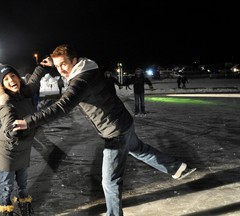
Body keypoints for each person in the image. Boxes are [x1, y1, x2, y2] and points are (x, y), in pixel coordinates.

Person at [13, 44, 196, 216]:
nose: (61, 69)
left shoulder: (80, 81)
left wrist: (30, 121)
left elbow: (62, 107)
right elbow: (63, 65)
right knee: (140, 150)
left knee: (110, 181)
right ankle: (177, 167)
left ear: (74, 61)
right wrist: (52, 63)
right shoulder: (90, 68)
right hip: (123, 122)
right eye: (58, 65)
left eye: (64, 64)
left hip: (114, 132)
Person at [0, 61, 52, 216]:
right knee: (7, 185)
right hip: (7, 151)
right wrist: (14, 130)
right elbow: (9, 123)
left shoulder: (24, 92)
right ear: (2, 85)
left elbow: (34, 82)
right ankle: (6, 211)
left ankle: (25, 208)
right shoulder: (5, 102)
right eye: (6, 79)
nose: (11, 80)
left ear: (18, 77)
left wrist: (41, 67)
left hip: (23, 148)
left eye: (13, 76)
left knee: (22, 183)